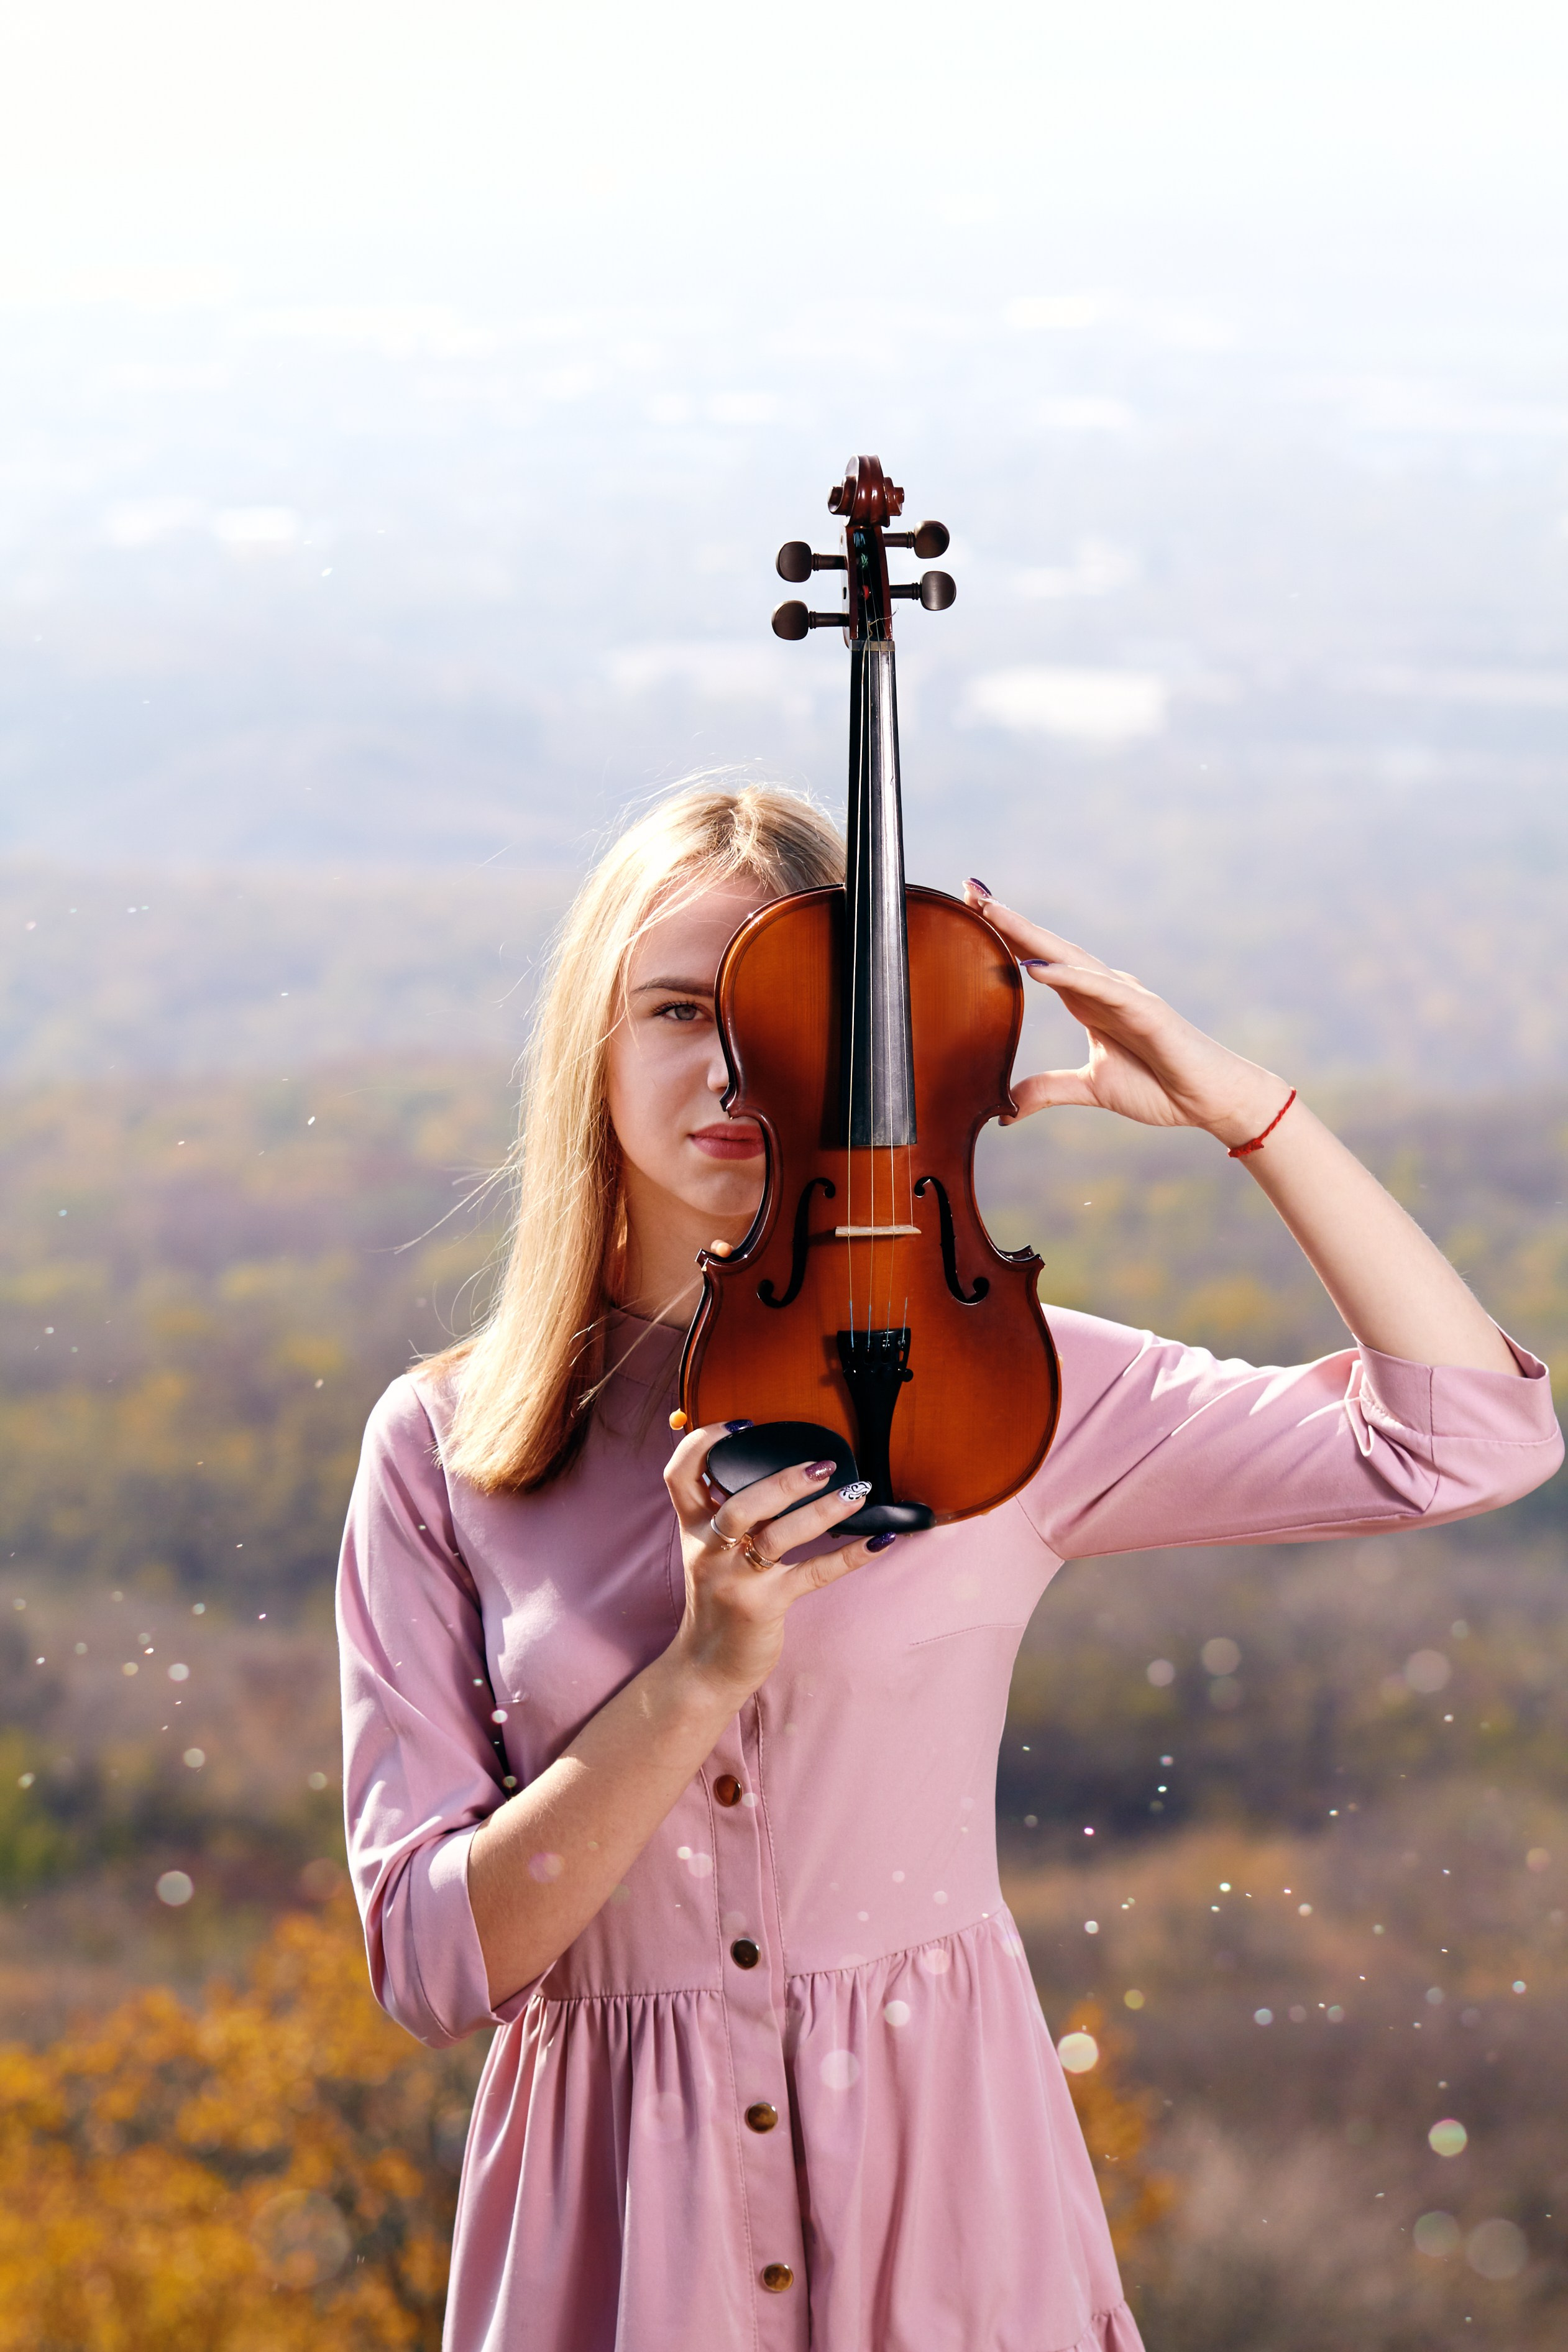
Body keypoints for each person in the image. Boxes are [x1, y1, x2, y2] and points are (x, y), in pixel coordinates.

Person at [337, 781, 1561, 2352]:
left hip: (947, 2182)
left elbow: (1462, 1442)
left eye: (793, 1022)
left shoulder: (1004, 1389)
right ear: (590, 1044)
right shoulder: (442, 1445)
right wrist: (698, 1671)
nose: (731, 1068)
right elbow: (436, 1964)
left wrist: (1247, 1110)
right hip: (621, 2227)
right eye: (670, 1009)